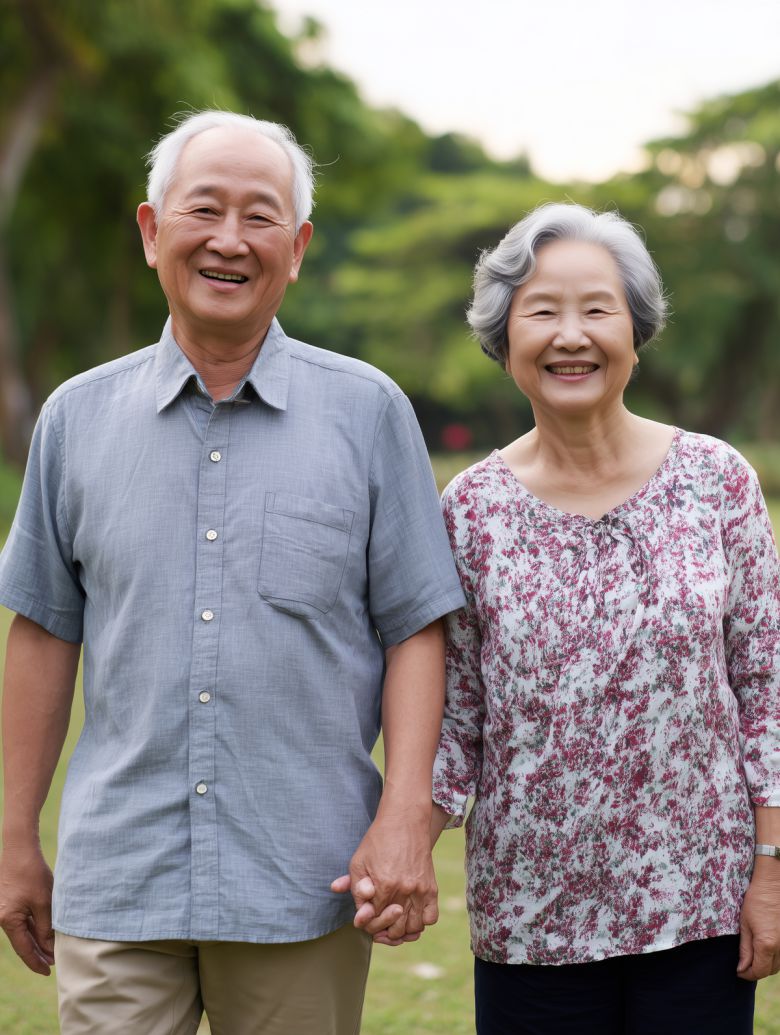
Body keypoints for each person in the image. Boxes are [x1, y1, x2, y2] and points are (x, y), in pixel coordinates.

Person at [0, 110, 465, 1035]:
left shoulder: (368, 412)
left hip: (305, 876)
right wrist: (14, 833)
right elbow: (46, 630)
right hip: (119, 877)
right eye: (203, 209)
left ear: (295, 250)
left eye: (260, 218)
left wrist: (406, 812)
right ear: (150, 231)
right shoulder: (74, 420)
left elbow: (416, 625)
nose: (228, 239)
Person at [428, 203, 780, 1033]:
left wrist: (770, 869)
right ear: (504, 337)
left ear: (636, 327)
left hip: (699, 903)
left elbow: (767, 689)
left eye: (597, 309)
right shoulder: (469, 511)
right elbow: (458, 719)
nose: (570, 335)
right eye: (542, 311)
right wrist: (399, 841)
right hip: (530, 919)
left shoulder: (717, 481)